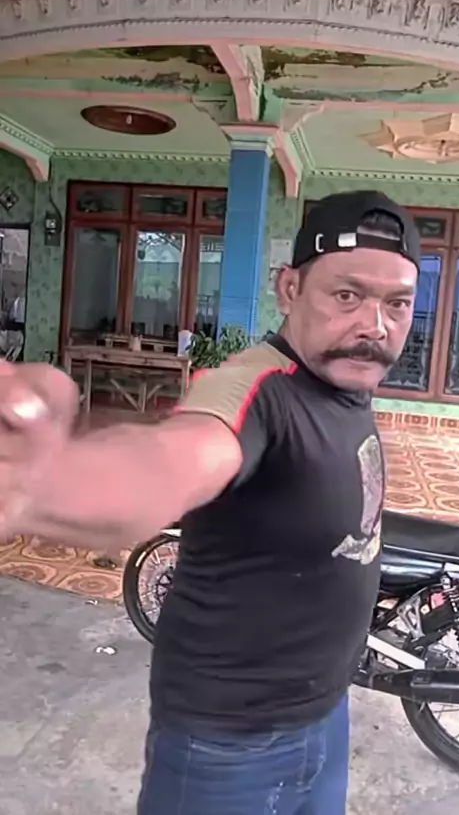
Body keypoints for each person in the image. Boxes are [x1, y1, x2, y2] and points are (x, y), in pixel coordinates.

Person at [0, 190, 420, 815]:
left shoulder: (343, 386)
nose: (374, 326)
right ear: (289, 289)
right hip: (229, 749)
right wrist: (38, 481)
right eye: (346, 295)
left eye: (397, 304)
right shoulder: (255, 387)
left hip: (325, 717)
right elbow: (172, 462)